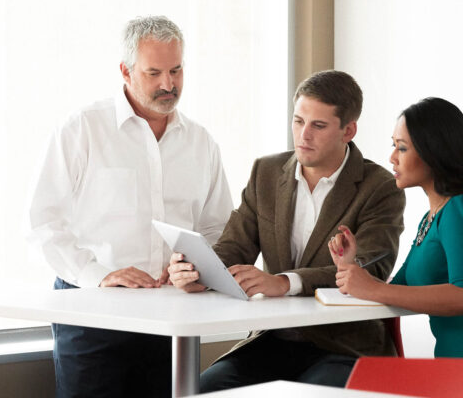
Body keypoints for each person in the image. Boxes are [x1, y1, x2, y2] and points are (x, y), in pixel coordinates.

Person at [26, 16, 234, 397]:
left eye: (176, 70)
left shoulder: (202, 143)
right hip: (92, 315)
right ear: (125, 71)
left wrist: (195, 269)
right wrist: (98, 274)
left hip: (173, 319)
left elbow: (216, 229)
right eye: (153, 72)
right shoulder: (82, 129)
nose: (168, 84)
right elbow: (44, 221)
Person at [169, 70, 406, 391]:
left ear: (348, 130)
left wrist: (285, 282)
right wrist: (195, 271)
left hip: (345, 347)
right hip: (272, 341)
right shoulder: (266, 173)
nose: (303, 135)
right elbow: (233, 249)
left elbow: (370, 268)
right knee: (202, 389)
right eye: (298, 121)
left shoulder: (379, 187)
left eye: (318, 126)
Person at [331, 97, 463, 363]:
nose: (391, 157)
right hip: (458, 366)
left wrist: (371, 289)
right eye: (393, 146)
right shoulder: (432, 218)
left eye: (401, 148)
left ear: (434, 151)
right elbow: (398, 290)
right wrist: (351, 266)